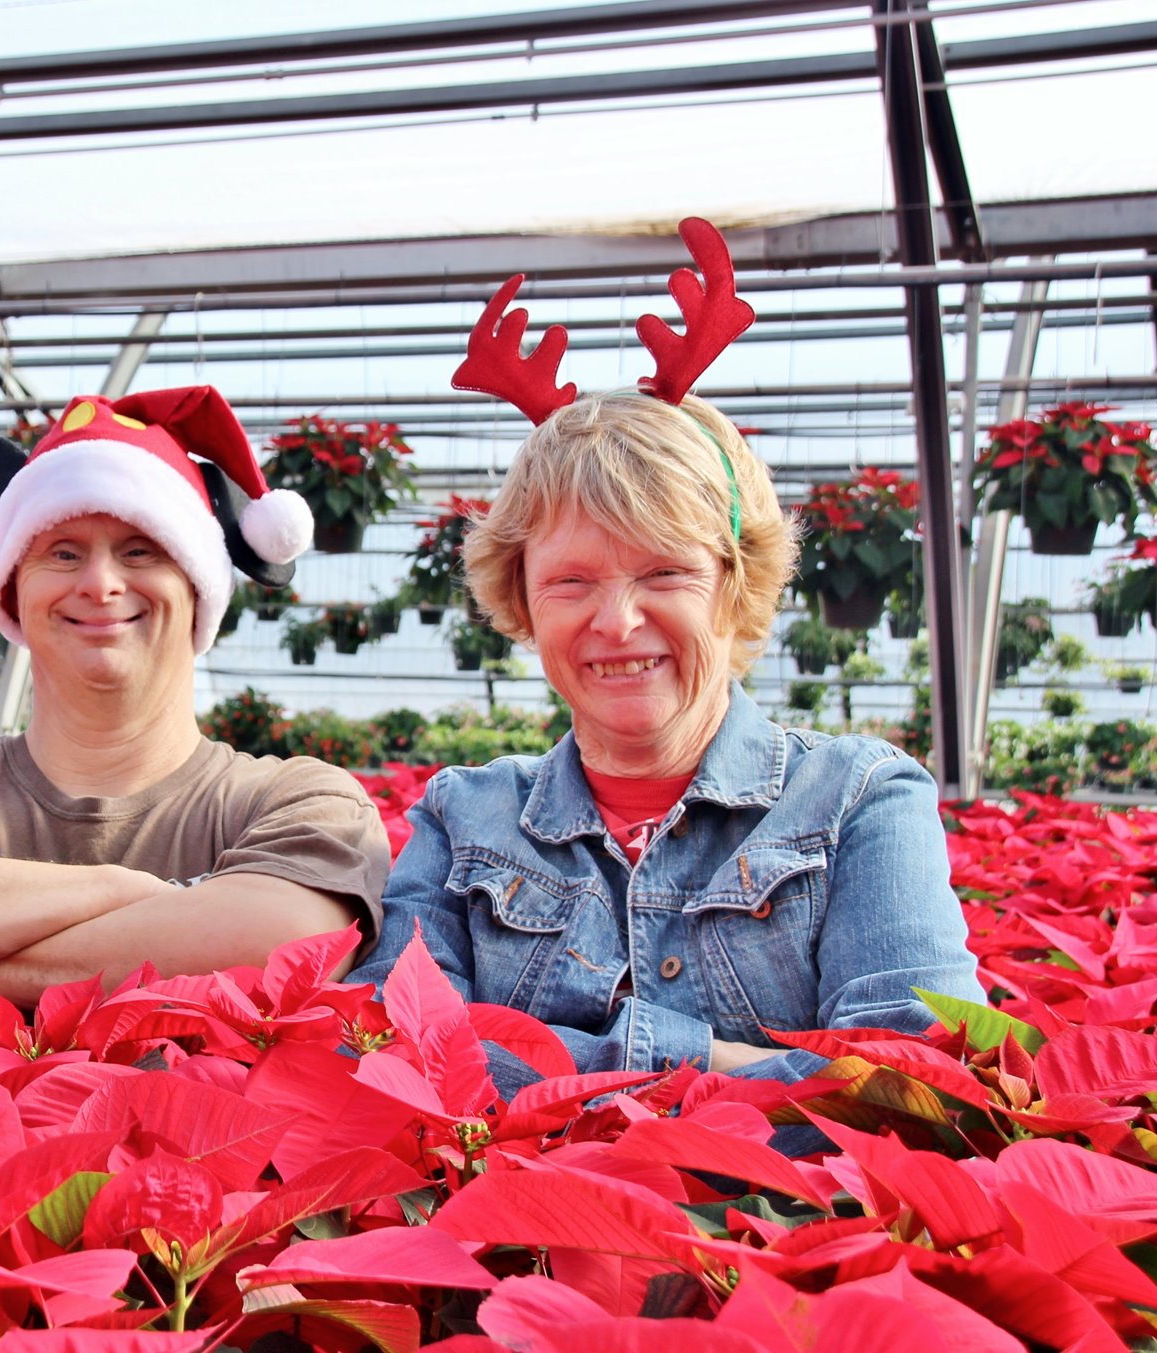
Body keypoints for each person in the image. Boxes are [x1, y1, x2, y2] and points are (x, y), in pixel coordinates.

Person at [349, 220, 981, 1091]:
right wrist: (715, 1061)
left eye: (664, 571)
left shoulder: (856, 801)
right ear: (522, 598)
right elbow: (389, 1049)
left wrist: (551, 1058)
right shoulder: (464, 819)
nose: (617, 619)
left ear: (734, 580)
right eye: (571, 580)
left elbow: (915, 1087)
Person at [0, 386, 390, 1008]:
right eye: (62, 553)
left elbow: (284, 947)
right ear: (12, 594)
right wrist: (128, 893)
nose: (100, 583)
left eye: (142, 550)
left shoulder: (303, 800)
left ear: (200, 590)